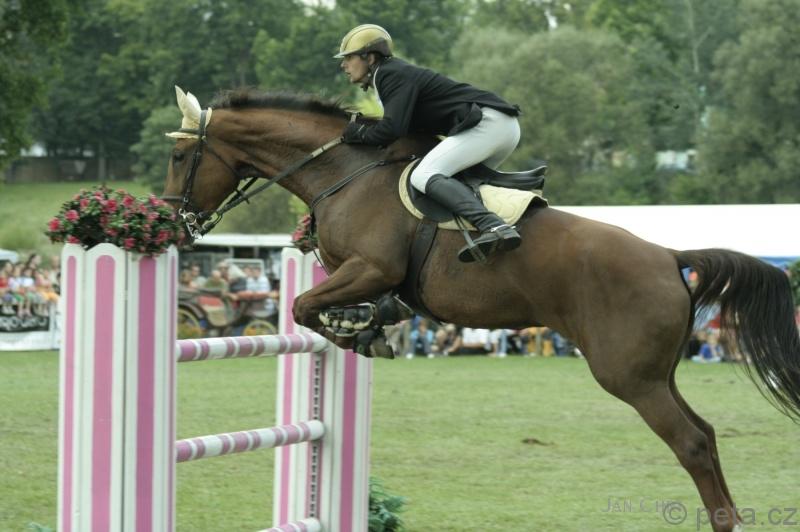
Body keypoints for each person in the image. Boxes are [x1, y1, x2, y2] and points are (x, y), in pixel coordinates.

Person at [335, 24, 546, 263]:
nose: (343, 65)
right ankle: (512, 190)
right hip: (498, 126)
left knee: (423, 175)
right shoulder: (389, 75)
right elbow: (407, 132)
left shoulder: (389, 74)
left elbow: (391, 130)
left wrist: (356, 133)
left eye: (349, 58)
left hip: (489, 124)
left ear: (370, 57)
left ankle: (494, 226)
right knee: (454, 184)